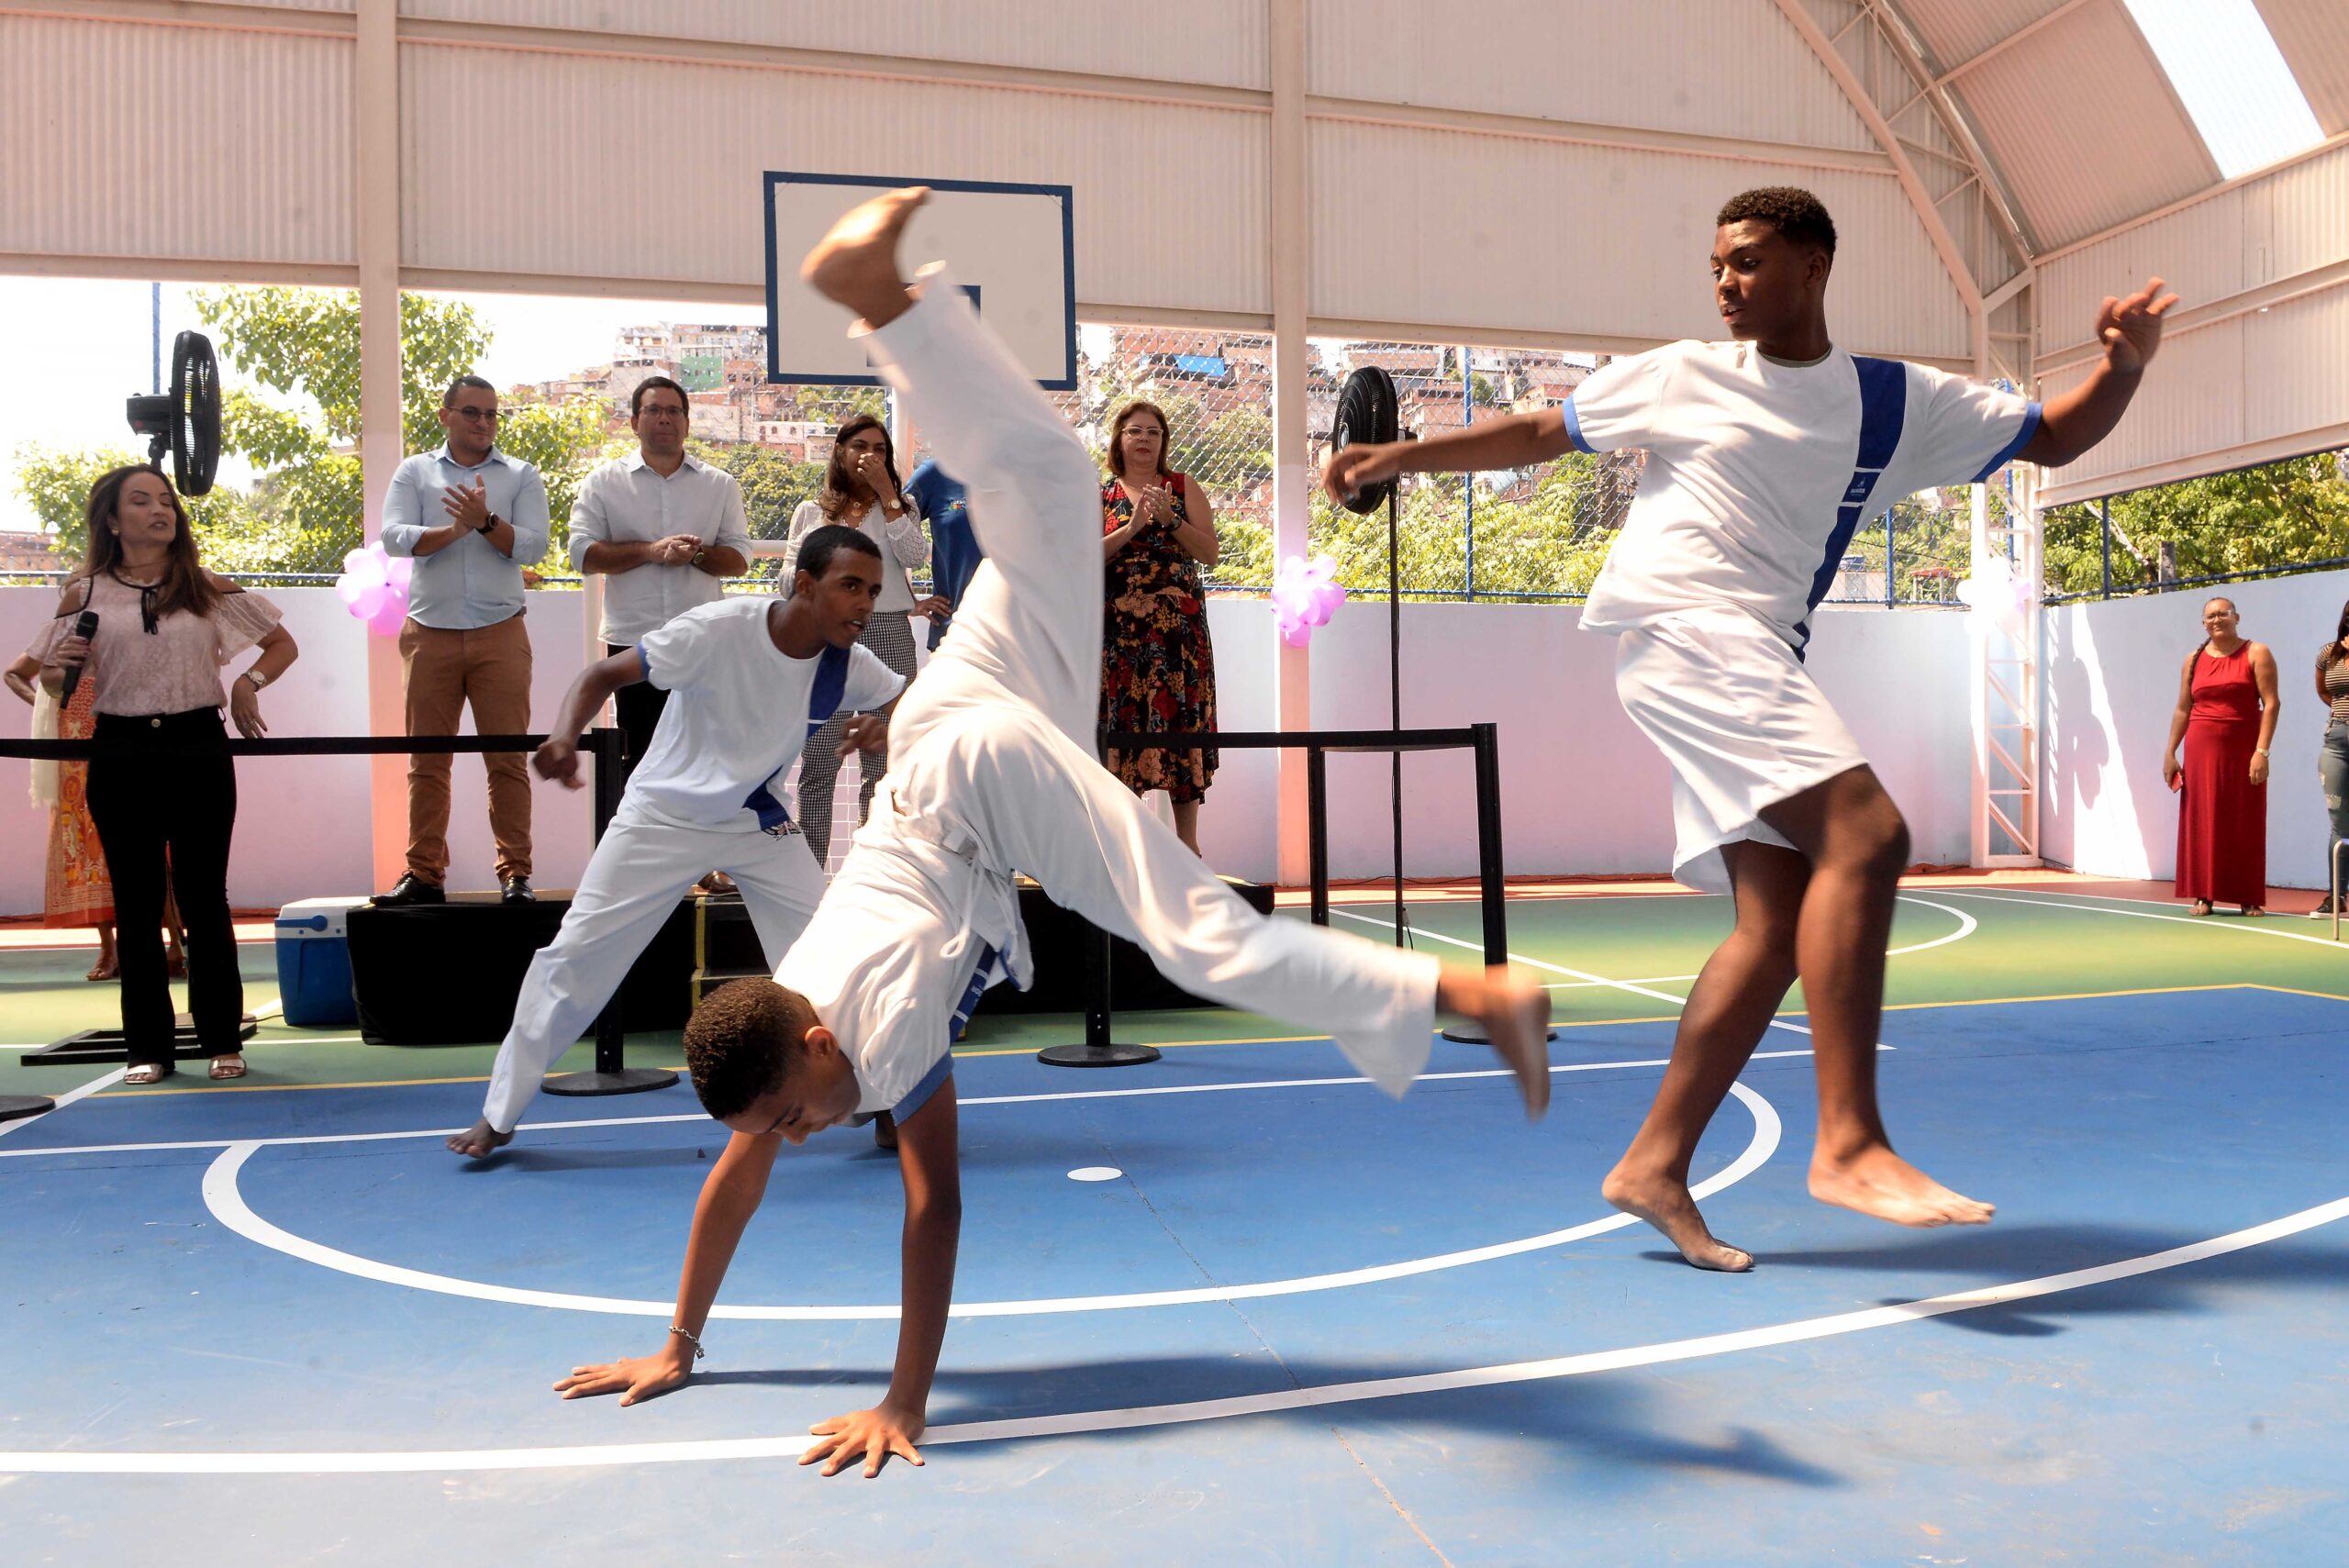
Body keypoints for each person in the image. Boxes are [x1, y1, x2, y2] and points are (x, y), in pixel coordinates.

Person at [550, 189, 1551, 1475]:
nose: (797, 1136)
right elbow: (738, 1164)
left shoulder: (875, 1028)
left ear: (808, 1036)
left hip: (971, 779)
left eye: (795, 1115)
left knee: (1192, 931)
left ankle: (1473, 990)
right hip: (947, 728)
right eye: (790, 1126)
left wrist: (903, 1401)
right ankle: (887, 300)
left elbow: (935, 1207)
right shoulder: (782, 1029)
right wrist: (678, 1340)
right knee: (1051, 492)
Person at [1325, 185, 2176, 1272]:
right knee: (1866, 835)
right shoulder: (1683, 372)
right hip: (1687, 631)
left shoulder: (1889, 402)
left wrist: (2127, 365)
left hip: (1757, 650)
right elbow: (1542, 430)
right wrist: (1402, 456)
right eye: (1717, 263)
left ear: (1814, 266)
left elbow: (2053, 437)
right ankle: (1848, 1139)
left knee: (1773, 928)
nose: (1725, 281)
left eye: (1749, 261)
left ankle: (1654, 1163)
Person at [445, 524, 906, 1158]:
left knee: (838, 959)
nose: (864, 603)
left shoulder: (849, 663)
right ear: (805, 582)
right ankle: (499, 1115)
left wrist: (884, 724)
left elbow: (915, 699)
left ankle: (884, 1103)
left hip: (756, 821)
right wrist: (560, 737)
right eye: (851, 585)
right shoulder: (717, 630)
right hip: (663, 815)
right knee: (575, 957)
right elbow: (601, 674)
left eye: (874, 591)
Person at [28, 464, 298, 1084]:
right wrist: (60, 666)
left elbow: (281, 643)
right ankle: (147, 1047)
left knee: (206, 898)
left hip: (197, 744)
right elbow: (49, 681)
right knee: (137, 902)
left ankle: (222, 1040)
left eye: (166, 501)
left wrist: (248, 683)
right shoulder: (85, 592)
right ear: (112, 520)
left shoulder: (204, 586)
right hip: (119, 750)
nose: (160, 510)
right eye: (141, 501)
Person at [376, 375, 551, 906]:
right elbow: (393, 537)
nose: (483, 423)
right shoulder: (415, 472)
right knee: (427, 760)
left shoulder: (520, 475)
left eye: (492, 415)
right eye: (472, 412)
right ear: (445, 415)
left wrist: (485, 522)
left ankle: (516, 874)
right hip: (429, 634)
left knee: (507, 760)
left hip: (501, 634)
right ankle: (424, 873)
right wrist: (455, 531)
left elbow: (533, 548)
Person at [568, 375, 753, 780]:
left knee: (704, 760)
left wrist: (697, 555)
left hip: (701, 639)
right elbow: (581, 554)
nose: (664, 419)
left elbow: (739, 559)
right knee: (639, 761)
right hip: (634, 639)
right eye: (653, 410)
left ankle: (698, 844)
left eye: (673, 411)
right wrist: (649, 551)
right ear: (634, 422)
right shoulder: (603, 483)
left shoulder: (719, 485)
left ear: (687, 422)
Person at [780, 416, 928, 866]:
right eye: (859, 445)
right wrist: (819, 573)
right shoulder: (811, 512)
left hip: (887, 632)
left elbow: (916, 559)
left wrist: (888, 496)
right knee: (820, 763)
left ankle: (872, 878)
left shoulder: (900, 507)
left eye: (880, 449)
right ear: (840, 452)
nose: (869, 455)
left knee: (885, 767)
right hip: (827, 639)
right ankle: (809, 878)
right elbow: (788, 580)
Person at [6, 653, 189, 981]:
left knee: (151, 840)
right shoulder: (61, 635)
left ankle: (176, 944)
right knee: (90, 848)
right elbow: (13, 674)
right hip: (76, 746)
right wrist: (46, 705)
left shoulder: (128, 621)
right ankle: (109, 946)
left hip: (130, 736)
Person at [1100, 399, 1219, 855]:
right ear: (1119, 440)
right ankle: (1127, 851)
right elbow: (1083, 559)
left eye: (1153, 431)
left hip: (1178, 640)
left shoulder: (1184, 487)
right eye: (1135, 431)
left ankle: (1188, 848)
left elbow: (1209, 553)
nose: (1144, 439)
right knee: (1124, 736)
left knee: (1181, 729)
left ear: (1163, 441)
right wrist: (1132, 529)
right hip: (1121, 639)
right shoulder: (1103, 494)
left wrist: (1170, 521)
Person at [2163, 596, 2277, 917]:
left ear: (2236, 617)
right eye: (2210, 616)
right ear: (2203, 623)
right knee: (2202, 818)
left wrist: (2261, 752)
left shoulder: (2257, 653)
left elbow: (2271, 704)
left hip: (2243, 748)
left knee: (2243, 818)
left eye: (2223, 614)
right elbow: (2183, 708)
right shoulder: (2193, 660)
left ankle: (2247, 896)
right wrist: (2170, 751)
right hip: (2199, 748)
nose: (2217, 620)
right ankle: (2204, 894)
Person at [902, 455, 974, 651]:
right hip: (954, 637)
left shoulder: (1023, 472)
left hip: (1016, 638)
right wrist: (909, 601)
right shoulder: (938, 471)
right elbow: (889, 531)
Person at [2314, 599, 2349, 918]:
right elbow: (2325, 691)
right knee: (2340, 824)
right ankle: (2336, 898)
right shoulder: (2330, 652)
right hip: (2336, 742)